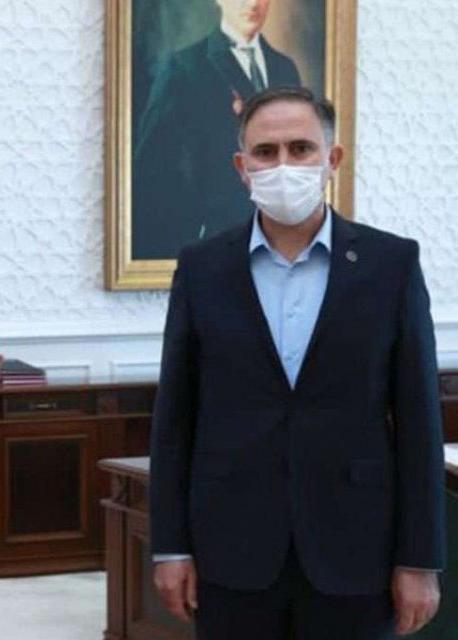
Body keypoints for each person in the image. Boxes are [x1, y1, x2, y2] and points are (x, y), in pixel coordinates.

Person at [149, 87, 444, 639]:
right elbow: (174, 421)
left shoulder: (391, 265)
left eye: (301, 148)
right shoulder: (202, 268)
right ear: (242, 168)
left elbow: (419, 420)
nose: (283, 165)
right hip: (230, 551)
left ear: (332, 160)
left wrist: (420, 560)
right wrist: (169, 547)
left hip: (357, 552)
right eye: (266, 152)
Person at [132, 0, 302, 259]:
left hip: (277, 249)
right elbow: (151, 170)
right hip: (211, 245)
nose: (252, 3)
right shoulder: (183, 68)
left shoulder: (285, 69)